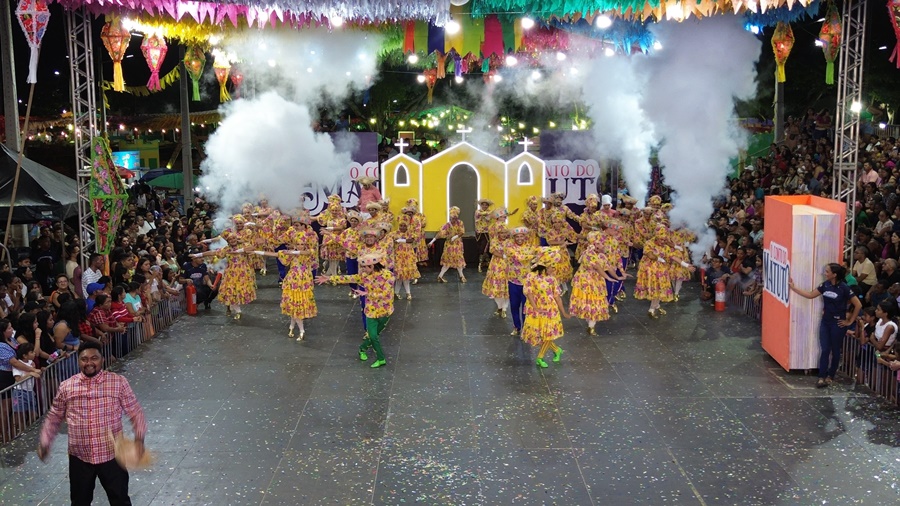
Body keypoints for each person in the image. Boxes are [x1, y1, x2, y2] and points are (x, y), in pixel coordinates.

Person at [38, 341, 147, 505]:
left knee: (120, 500)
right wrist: (45, 442)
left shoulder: (118, 382)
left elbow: (135, 412)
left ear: (102, 359)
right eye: (84, 359)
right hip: (79, 457)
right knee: (80, 501)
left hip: (112, 455)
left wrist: (139, 440)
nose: (89, 363)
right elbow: (54, 416)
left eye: (94, 358)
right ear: (78, 361)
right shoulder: (67, 386)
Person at [789, 263, 862, 388]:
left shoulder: (844, 288)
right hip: (826, 321)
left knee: (835, 350)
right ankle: (821, 376)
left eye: (827, 271)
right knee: (825, 349)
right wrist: (794, 288)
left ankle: (831, 375)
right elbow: (811, 295)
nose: (825, 273)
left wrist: (849, 322)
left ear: (834, 274)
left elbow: (858, 304)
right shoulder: (825, 285)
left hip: (838, 323)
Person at [316, 253, 394, 368]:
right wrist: (329, 278)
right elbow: (349, 278)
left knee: (374, 335)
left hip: (385, 310)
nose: (362, 269)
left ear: (372, 266)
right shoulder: (364, 276)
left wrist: (368, 293)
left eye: (364, 267)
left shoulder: (388, 276)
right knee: (373, 336)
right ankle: (381, 358)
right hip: (371, 311)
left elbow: (386, 293)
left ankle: (362, 349)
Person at [521, 248, 570, 368]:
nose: (554, 269)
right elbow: (529, 293)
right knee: (538, 335)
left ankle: (540, 357)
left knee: (548, 334)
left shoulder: (552, 279)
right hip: (536, 309)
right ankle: (557, 350)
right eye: (552, 266)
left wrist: (564, 312)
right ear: (544, 266)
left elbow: (557, 297)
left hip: (550, 309)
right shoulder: (531, 276)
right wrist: (535, 307)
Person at [430, 206, 467, 283]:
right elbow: (440, 234)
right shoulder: (447, 225)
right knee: (448, 261)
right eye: (452, 218)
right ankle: (441, 276)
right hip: (449, 245)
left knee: (458, 260)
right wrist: (432, 241)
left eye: (455, 218)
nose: (453, 220)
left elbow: (462, 232)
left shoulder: (460, 223)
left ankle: (461, 276)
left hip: (457, 244)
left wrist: (455, 237)